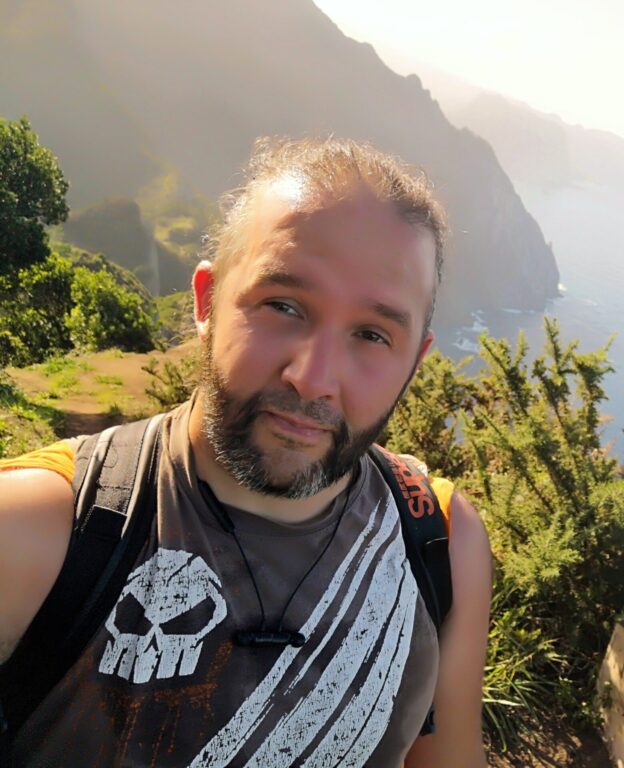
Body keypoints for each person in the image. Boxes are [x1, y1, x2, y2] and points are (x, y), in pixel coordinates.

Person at [0, 138, 492, 767]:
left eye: (372, 335)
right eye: (283, 306)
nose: (313, 378)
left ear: (413, 363)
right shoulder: (45, 530)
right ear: (206, 303)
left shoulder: (443, 544)